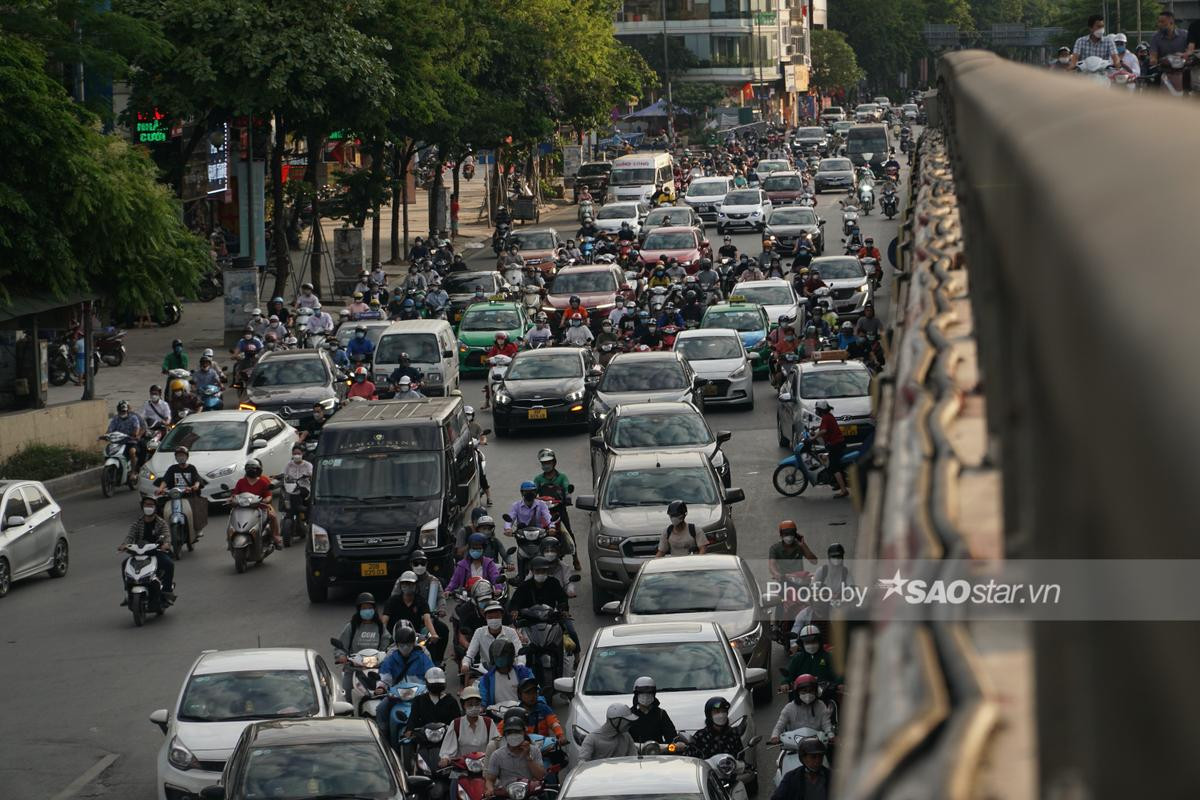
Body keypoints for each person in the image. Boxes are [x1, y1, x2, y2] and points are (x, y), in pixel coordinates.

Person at [333, 593, 392, 693]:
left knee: (388, 690)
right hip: (354, 668)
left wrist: (388, 654)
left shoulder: (380, 628)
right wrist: (341, 656)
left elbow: (388, 645)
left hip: (375, 667)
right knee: (346, 690)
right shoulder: (351, 627)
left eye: (369, 608)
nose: (367, 610)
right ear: (359, 610)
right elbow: (340, 647)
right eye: (364, 608)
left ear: (374, 609)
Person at [120, 498, 175, 597]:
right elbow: (130, 536)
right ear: (142, 507)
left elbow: (167, 536)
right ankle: (129, 591)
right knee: (124, 564)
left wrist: (166, 544)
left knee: (169, 564)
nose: (148, 507)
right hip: (139, 552)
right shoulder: (137, 523)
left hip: (156, 552)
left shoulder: (161, 523)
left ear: (155, 508)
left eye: (150, 505)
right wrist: (124, 545)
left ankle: (167, 591)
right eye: (146, 505)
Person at [382, 570, 442, 659]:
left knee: (428, 652)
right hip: (394, 639)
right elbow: (384, 620)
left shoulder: (421, 601)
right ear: (400, 586)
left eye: (410, 584)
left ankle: (435, 664)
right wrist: (384, 635)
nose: (407, 586)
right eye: (404, 584)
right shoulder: (392, 601)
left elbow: (427, 619)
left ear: (416, 585)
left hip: (414, 639)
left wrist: (434, 634)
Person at [484, 708, 546, 793]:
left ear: (524, 732)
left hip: (529, 793)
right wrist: (490, 788)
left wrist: (528, 757)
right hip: (507, 794)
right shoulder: (497, 755)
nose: (513, 735)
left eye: (517, 732)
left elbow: (540, 776)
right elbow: (490, 779)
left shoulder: (534, 750)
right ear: (505, 735)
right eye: (509, 733)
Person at [439, 685, 498, 769]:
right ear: (463, 705)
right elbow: (447, 749)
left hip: (484, 768)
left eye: (477, 704)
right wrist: (445, 759)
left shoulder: (488, 722)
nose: (474, 707)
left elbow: (496, 745)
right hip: (462, 768)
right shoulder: (456, 724)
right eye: (470, 704)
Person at [462, 601, 524, 677]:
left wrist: (521, 664)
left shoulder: (511, 632)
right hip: (486, 673)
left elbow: (520, 653)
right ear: (485, 618)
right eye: (490, 617)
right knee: (470, 688)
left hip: (509, 672)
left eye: (497, 617)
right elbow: (470, 654)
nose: (494, 619)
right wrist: (465, 664)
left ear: (502, 616)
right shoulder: (479, 632)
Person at [499, 677, 567, 746]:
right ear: (520, 695)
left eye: (534, 692)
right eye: (528, 693)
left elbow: (554, 723)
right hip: (521, 748)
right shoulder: (515, 712)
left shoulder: (543, 708)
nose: (532, 696)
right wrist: (499, 740)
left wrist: (560, 735)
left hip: (544, 747)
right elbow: (501, 728)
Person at [232, 458, 283, 547]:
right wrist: (232, 499)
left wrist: (265, 500)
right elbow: (235, 494)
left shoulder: (263, 481)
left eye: (254, 468)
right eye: (249, 468)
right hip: (243, 508)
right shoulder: (241, 482)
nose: (252, 471)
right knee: (232, 516)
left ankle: (275, 536)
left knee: (272, 516)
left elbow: (269, 495)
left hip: (260, 507)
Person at [770, 674, 834, 742]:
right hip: (794, 744)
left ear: (816, 692)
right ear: (797, 692)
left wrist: (831, 735)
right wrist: (775, 736)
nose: (808, 694)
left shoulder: (821, 706)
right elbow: (780, 725)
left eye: (811, 691)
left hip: (817, 743)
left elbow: (826, 724)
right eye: (804, 691)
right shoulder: (789, 707)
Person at [406, 667, 461, 736]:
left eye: (438, 684)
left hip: (446, 737)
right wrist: (409, 730)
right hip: (423, 737)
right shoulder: (419, 700)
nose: (436, 686)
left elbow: (457, 721)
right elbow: (413, 718)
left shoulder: (451, 701)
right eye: (433, 684)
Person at [479, 639, 534, 707]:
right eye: (497, 656)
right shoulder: (486, 679)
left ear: (510, 656)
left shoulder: (524, 673)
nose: (500, 658)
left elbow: (536, 694)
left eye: (503, 655)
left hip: (522, 712)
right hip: (497, 714)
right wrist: (482, 707)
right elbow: (483, 701)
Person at [813, 400, 848, 497]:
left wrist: (814, 437)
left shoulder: (826, 418)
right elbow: (824, 427)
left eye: (817, 410)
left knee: (834, 467)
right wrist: (815, 428)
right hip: (837, 444)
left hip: (836, 445)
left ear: (820, 410)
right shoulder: (828, 416)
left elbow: (824, 430)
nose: (816, 411)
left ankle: (843, 490)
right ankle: (836, 482)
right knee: (827, 459)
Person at [628, 677, 677, 744]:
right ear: (636, 694)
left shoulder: (661, 714)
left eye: (649, 693)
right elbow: (623, 739)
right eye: (641, 693)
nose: (646, 696)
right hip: (634, 753)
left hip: (658, 752)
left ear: (654, 694)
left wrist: (675, 744)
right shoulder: (629, 714)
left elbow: (671, 736)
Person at [1150, 10, 1190, 91]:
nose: (1159, 24)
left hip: (1184, 70)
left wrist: (1185, 56)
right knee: (1153, 84)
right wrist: (1154, 60)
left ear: (1171, 22)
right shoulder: (1155, 37)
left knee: (1192, 88)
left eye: (1162, 22)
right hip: (1165, 71)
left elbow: (1191, 51)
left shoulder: (1185, 35)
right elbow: (1153, 56)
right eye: (1159, 22)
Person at [106, 400, 145, 472]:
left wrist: (135, 434)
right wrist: (107, 435)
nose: (122, 413)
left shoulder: (133, 418)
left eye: (124, 411)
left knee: (132, 451)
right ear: (118, 410)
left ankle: (133, 472)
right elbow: (110, 429)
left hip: (131, 441)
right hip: (118, 442)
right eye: (121, 411)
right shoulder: (115, 419)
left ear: (127, 411)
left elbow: (137, 429)